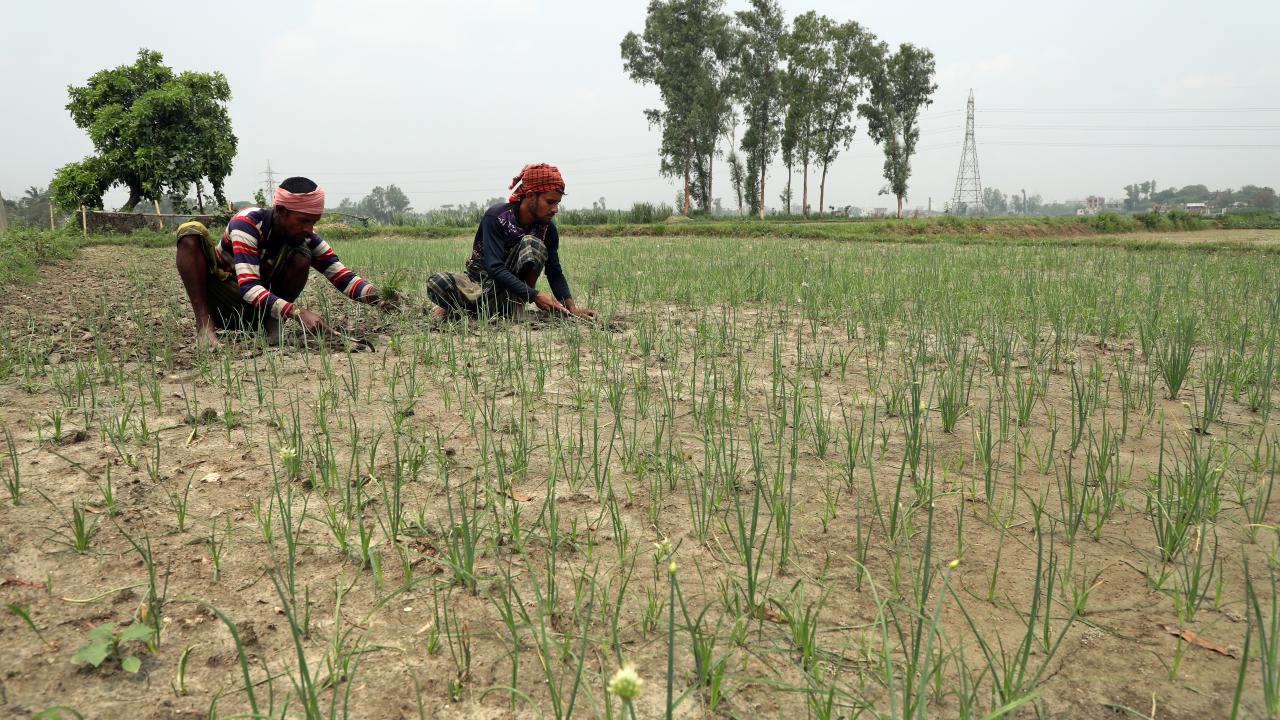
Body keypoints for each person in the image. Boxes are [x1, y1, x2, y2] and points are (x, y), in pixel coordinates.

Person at [175, 176, 394, 346]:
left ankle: (272, 325)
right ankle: (205, 326)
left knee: (302, 255)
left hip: (260, 309)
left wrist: (379, 296)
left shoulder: (305, 237)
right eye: (303, 221)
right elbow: (249, 287)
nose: (309, 228)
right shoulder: (247, 223)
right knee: (190, 233)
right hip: (223, 300)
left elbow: (342, 276)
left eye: (314, 222)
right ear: (280, 211)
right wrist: (298, 312)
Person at [427, 163, 597, 321]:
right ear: (530, 196)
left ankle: (516, 308)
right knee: (437, 282)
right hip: (480, 286)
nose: (555, 209)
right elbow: (494, 268)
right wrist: (535, 295)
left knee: (533, 244)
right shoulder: (497, 217)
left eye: (557, 203)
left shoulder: (547, 229)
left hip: (511, 294)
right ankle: (465, 308)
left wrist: (572, 309)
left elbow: (554, 272)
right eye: (550, 202)